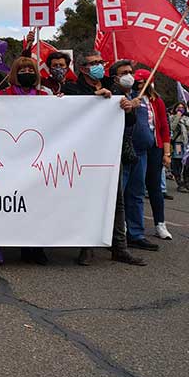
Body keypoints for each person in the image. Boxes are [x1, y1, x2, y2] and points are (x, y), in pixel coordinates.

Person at [72, 58, 146, 266]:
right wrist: (93, 99)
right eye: (94, 62)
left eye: (101, 61)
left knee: (116, 201)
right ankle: (87, 248)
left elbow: (129, 122)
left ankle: (119, 248)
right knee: (88, 200)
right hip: (83, 154)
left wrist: (127, 107)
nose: (99, 65)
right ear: (83, 67)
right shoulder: (73, 87)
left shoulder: (112, 87)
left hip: (110, 152)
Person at [0, 57, 49, 264]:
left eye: (30, 69)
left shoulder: (45, 96)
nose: (26, 72)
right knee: (7, 203)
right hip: (8, 157)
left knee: (36, 205)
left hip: (36, 158)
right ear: (14, 73)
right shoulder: (3, 95)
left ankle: (35, 248)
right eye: (22, 69)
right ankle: (1, 246)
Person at [118, 70, 162, 252]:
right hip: (120, 152)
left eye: (131, 72)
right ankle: (116, 236)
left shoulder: (141, 98)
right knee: (118, 196)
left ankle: (136, 234)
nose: (130, 76)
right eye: (124, 73)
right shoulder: (113, 95)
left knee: (136, 194)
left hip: (141, 152)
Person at [136, 70, 173, 240]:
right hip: (136, 147)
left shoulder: (156, 101)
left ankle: (160, 223)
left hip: (155, 147)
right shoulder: (130, 98)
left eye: (144, 82)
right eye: (138, 82)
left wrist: (166, 153)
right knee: (134, 187)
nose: (140, 85)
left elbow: (164, 128)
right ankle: (132, 224)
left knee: (155, 187)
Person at [168, 101, 189, 193]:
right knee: (177, 161)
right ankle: (179, 182)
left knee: (186, 163)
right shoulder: (172, 117)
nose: (180, 109)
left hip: (186, 143)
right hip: (178, 143)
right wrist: (178, 116)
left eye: (182, 107)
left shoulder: (187, 118)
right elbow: (172, 128)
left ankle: (187, 182)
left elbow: (188, 130)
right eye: (178, 107)